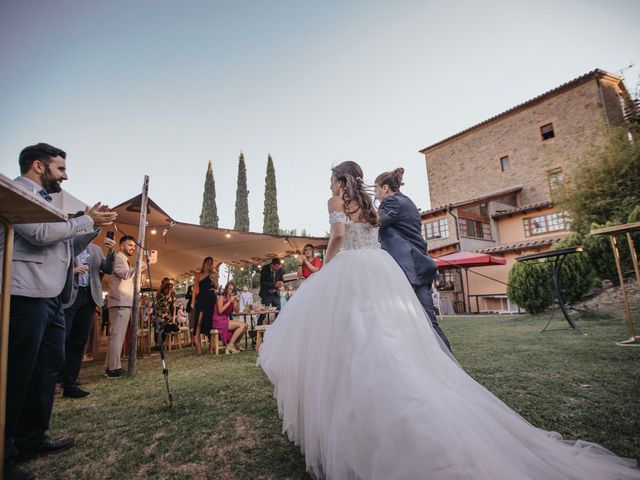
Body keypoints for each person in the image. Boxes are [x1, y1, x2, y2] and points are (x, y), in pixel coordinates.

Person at [258, 160, 640, 480]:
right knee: (386, 335)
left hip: (352, 270)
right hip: (379, 271)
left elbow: (338, 235)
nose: (330, 185)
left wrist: (328, 264)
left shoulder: (336, 200)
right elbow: (372, 237)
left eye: (332, 180)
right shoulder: (375, 206)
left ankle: (365, 416)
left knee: (353, 337)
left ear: (340, 181)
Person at [0, 143, 117, 480]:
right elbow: (37, 234)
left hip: (52, 296)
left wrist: (92, 227)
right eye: (60, 168)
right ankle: (5, 454)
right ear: (38, 166)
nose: (65, 175)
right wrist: (83, 219)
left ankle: (32, 438)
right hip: (25, 292)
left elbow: (64, 244)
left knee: (46, 367)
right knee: (18, 371)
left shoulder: (50, 201)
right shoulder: (18, 192)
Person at [375, 167, 451, 351]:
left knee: (404, 321)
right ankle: (447, 361)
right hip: (420, 266)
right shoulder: (408, 202)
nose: (376, 197)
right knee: (428, 321)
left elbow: (375, 223)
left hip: (406, 268)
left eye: (376, 191)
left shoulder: (391, 202)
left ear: (385, 188)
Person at [60, 222, 116, 398]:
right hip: (70, 296)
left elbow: (107, 269)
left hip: (89, 296)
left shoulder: (95, 249)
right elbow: (54, 267)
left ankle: (70, 382)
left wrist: (111, 251)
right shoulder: (67, 244)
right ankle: (54, 380)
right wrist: (73, 271)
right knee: (61, 339)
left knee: (78, 340)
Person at [105, 235, 145, 378]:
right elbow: (124, 274)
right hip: (119, 301)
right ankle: (114, 369)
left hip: (122, 301)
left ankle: (110, 367)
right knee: (117, 335)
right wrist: (142, 265)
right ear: (122, 246)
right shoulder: (118, 257)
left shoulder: (125, 260)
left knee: (116, 335)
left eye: (134, 246)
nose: (133, 248)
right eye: (130, 245)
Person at [212, 282, 247, 353]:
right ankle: (230, 345)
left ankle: (235, 344)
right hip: (218, 321)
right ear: (226, 289)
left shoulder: (232, 299)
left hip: (225, 320)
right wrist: (229, 301)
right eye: (230, 289)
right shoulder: (221, 298)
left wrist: (237, 301)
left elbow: (237, 311)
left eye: (232, 289)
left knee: (245, 326)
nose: (231, 291)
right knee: (242, 325)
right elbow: (220, 310)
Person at [194, 257, 218, 354]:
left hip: (211, 299)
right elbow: (195, 288)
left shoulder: (213, 274)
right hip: (201, 299)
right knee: (198, 321)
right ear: (204, 263)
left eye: (211, 263)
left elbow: (216, 287)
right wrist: (192, 302)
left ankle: (210, 346)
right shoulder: (198, 275)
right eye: (207, 262)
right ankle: (197, 345)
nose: (209, 264)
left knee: (210, 321)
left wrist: (213, 281)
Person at [258, 258, 283, 326]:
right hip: (266, 294)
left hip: (275, 294)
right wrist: (274, 285)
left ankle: (278, 330)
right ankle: (256, 333)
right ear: (272, 265)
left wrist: (281, 282)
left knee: (279, 313)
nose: (278, 268)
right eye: (276, 266)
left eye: (279, 266)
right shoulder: (264, 268)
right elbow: (262, 283)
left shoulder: (280, 269)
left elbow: (281, 279)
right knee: (263, 314)